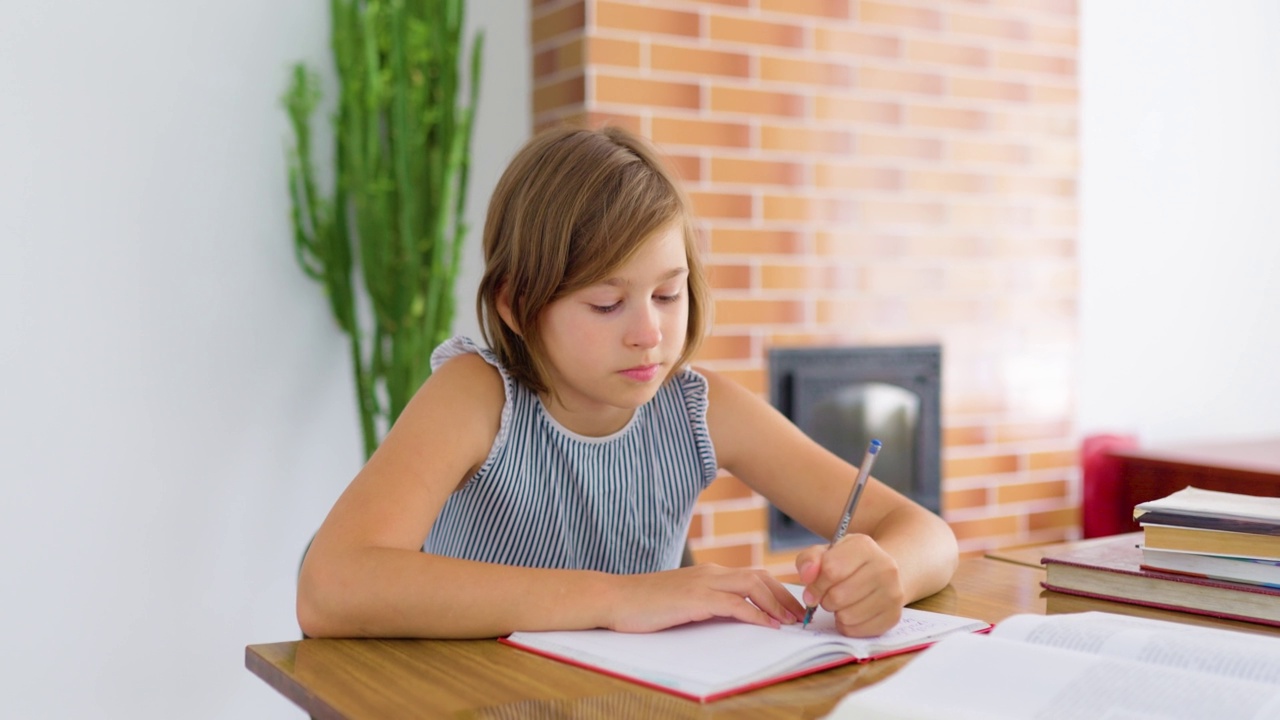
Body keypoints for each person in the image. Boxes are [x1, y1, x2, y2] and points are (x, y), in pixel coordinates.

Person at [297, 125, 958, 641]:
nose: (649, 333)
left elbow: (926, 531)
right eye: (606, 304)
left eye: (668, 295)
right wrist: (621, 598)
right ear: (515, 305)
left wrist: (883, 572)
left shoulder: (698, 407)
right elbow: (330, 586)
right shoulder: (475, 396)